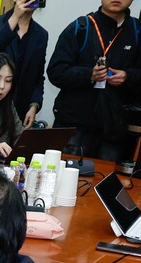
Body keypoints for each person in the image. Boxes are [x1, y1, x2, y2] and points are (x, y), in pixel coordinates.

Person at [47, 0, 141, 160]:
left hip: (113, 128)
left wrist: (128, 77)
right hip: (74, 125)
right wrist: (89, 75)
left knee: (104, 181)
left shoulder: (137, 31)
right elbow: (55, 71)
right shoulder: (81, 27)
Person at [0, 0, 49, 127]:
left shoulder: (41, 35)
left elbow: (38, 76)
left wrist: (34, 105)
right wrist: (15, 17)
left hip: (20, 111)